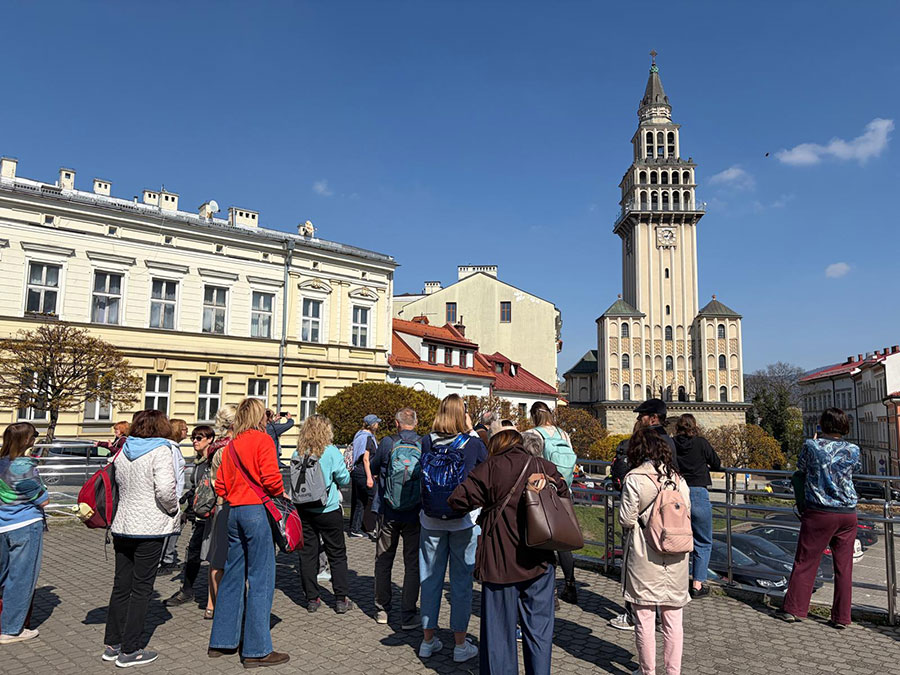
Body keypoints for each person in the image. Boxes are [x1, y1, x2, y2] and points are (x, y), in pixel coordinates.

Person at [449, 428, 567, 675]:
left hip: (500, 562)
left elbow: (457, 499)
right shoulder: (543, 466)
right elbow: (565, 496)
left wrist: (488, 504)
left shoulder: (490, 468)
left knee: (499, 634)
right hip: (539, 560)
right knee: (539, 633)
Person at [208, 398, 289, 668]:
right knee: (261, 578)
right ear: (259, 416)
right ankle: (257, 649)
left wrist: (231, 494)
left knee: (232, 574)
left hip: (233, 511)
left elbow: (219, 484)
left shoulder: (231, 445)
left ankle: (222, 641)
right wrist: (279, 493)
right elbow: (271, 478)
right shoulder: (262, 440)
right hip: (256, 511)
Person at [103, 410, 179, 667]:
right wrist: (173, 509)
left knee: (121, 585)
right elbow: (166, 490)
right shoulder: (161, 450)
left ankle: (112, 643)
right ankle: (130, 650)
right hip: (149, 527)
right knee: (142, 588)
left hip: (122, 524)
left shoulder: (123, 450)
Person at [417, 394, 486, 663]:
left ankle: (427, 641)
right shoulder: (471, 444)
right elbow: (486, 463)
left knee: (430, 579)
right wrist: (471, 431)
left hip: (430, 519)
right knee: (461, 583)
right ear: (462, 415)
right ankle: (459, 645)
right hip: (464, 520)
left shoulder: (426, 441)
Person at [779, 408, 861, 628]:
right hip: (848, 513)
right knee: (844, 567)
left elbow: (802, 469)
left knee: (806, 561)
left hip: (820, 511)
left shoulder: (811, 446)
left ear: (822, 425)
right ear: (844, 426)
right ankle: (842, 617)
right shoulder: (853, 449)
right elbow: (855, 470)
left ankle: (795, 609)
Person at [619, 426, 691, 675]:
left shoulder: (634, 478)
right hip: (676, 553)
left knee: (645, 619)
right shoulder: (678, 479)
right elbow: (688, 512)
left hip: (644, 553)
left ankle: (647, 671)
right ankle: (673, 672)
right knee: (673, 621)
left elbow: (627, 519)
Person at [609, 398, 678, 631]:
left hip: (641, 515)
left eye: (642, 415)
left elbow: (634, 475)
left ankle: (633, 615)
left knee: (637, 569)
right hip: (665, 515)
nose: (638, 419)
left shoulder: (644, 441)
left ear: (654, 417)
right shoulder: (670, 441)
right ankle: (659, 617)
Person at [291, 415, 353, 614]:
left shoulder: (298, 451)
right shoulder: (331, 451)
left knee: (307, 554)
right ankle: (341, 599)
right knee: (337, 553)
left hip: (304, 508)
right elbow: (343, 478)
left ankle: (311, 598)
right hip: (328, 508)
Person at [370, 407, 422, 627]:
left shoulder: (387, 443)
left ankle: (383, 609)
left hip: (388, 511)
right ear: (416, 423)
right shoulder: (423, 443)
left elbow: (373, 466)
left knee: (384, 560)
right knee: (412, 564)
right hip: (415, 513)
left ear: (397, 423)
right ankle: (408, 614)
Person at [525, 401, 578, 605]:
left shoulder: (533, 434)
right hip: (566, 492)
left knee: (544, 542)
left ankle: (551, 592)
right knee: (564, 540)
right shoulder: (564, 434)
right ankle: (571, 584)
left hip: (544, 495)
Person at [0, 422, 47, 644]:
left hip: (2, 525)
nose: (35, 439)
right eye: (34, 436)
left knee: (3, 575)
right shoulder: (25, 466)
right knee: (21, 578)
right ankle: (12, 629)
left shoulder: (0, 463)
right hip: (25, 525)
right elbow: (43, 500)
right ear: (26, 441)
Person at [164, 425, 216, 609]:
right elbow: (196, 489)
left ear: (210, 439)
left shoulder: (213, 460)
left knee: (211, 555)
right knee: (193, 552)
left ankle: (212, 597)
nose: (194, 441)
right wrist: (186, 509)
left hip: (212, 515)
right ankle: (187, 590)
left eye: (199, 438)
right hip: (199, 515)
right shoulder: (199, 461)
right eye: (193, 437)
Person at [673, 413, 722, 599]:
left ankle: (678, 579)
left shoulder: (673, 444)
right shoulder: (701, 443)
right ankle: (697, 584)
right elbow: (716, 463)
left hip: (678, 494)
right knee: (702, 541)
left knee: (678, 539)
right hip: (699, 493)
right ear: (694, 426)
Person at [204, 404, 237, 618]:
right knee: (225, 558)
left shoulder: (217, 445)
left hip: (219, 503)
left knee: (217, 555)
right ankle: (226, 607)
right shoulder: (230, 447)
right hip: (228, 503)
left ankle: (211, 604)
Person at [159, 418, 188, 572]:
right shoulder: (171, 449)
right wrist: (176, 498)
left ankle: (167, 558)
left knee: (176, 526)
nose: (187, 432)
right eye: (184, 429)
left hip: (175, 495)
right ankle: (165, 559)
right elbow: (174, 475)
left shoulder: (174, 447)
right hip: (173, 496)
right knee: (171, 528)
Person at [348, 414, 379, 538]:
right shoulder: (367, 438)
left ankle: (355, 529)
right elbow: (366, 459)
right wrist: (370, 477)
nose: (378, 425)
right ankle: (379, 529)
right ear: (372, 425)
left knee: (360, 501)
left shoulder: (359, 435)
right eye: (376, 423)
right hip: (363, 473)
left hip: (357, 472)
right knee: (376, 498)